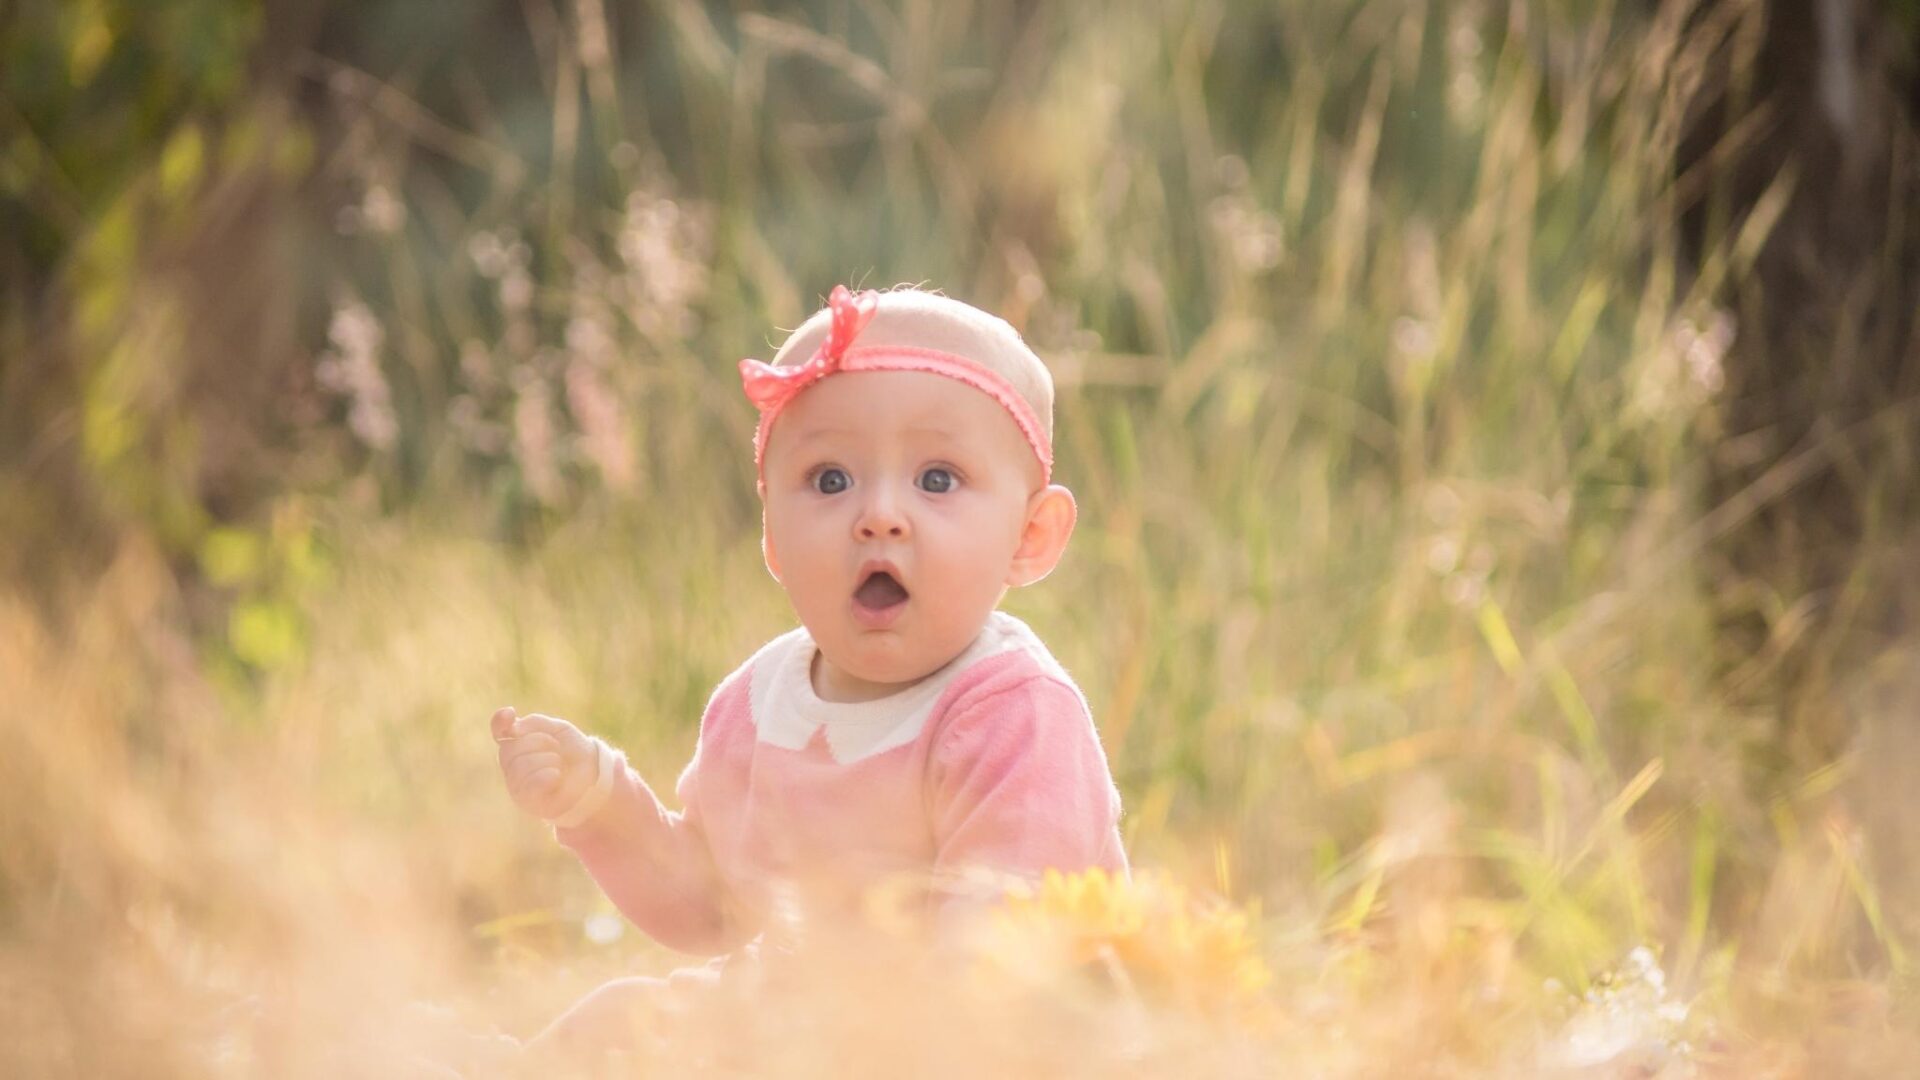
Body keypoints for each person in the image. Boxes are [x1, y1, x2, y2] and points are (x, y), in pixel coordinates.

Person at [490, 284, 1127, 1059]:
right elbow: (708, 904)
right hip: (790, 1023)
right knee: (620, 1016)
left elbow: (1003, 949)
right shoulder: (760, 704)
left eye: (937, 479)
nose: (879, 514)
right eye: (831, 480)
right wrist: (597, 804)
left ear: (1031, 535)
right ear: (774, 541)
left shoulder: (1012, 714)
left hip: (963, 1045)